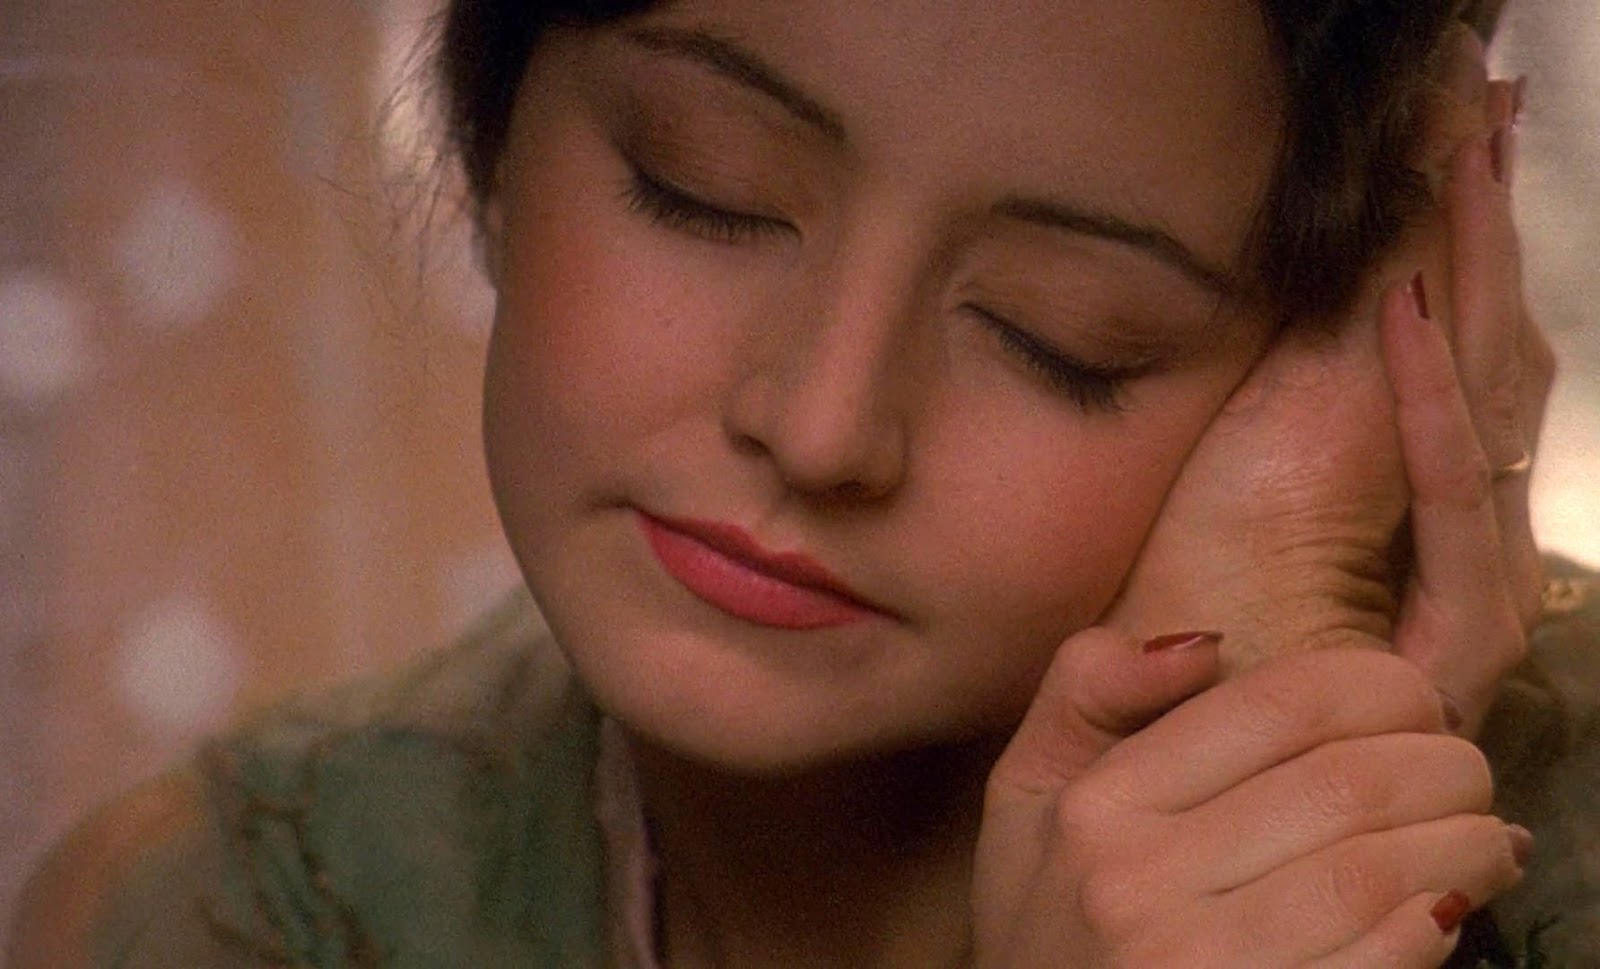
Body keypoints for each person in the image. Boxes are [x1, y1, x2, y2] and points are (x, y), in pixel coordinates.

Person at [8, 1, 1596, 966]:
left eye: (1063, 333)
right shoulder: (209, 917)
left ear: (1351, 314)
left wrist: (1304, 605)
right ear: (495, 129)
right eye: (706, 189)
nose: (826, 428)